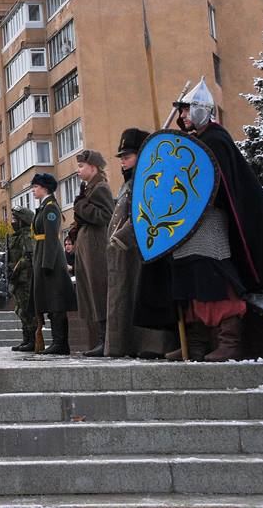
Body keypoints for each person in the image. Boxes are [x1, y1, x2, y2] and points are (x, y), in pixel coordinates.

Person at [141, 79, 263, 361]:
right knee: (187, 281)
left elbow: (215, 188)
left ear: (200, 110)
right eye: (181, 112)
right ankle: (195, 344)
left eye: (185, 111)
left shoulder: (215, 141)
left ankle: (228, 341)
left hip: (209, 225)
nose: (182, 117)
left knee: (215, 280)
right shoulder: (196, 142)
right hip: (185, 226)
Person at [106, 128, 173, 359]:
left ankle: (151, 345)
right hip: (126, 253)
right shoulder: (130, 182)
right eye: (122, 157)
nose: (123, 161)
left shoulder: (150, 179)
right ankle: (124, 343)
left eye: (128, 156)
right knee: (126, 298)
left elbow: (148, 213)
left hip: (143, 249)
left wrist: (123, 236)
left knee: (143, 295)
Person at [72, 149, 116, 357]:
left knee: (99, 292)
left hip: (97, 247)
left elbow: (106, 216)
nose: (78, 170)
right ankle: (100, 338)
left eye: (81, 166)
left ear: (93, 167)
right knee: (91, 292)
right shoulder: (90, 188)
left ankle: (104, 339)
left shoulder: (100, 188)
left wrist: (81, 207)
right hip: (89, 247)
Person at [30, 173, 77, 354]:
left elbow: (51, 238)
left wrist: (47, 263)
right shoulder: (44, 207)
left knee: (56, 301)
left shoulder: (50, 208)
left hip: (51, 258)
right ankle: (57, 341)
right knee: (49, 301)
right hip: (43, 255)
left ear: (45, 188)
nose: (33, 190)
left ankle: (61, 343)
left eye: (36, 186)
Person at [6, 207, 39, 352]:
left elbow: (28, 256)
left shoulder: (27, 235)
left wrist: (15, 270)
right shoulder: (17, 235)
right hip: (18, 279)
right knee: (21, 310)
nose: (13, 222)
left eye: (15, 219)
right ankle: (26, 339)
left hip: (25, 279)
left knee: (27, 310)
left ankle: (32, 340)